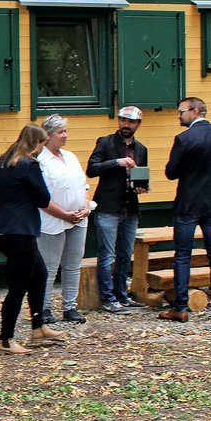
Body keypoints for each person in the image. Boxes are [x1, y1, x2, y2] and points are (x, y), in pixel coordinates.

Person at [0, 124, 83, 354]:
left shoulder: (5, 160)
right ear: (37, 143)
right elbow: (43, 198)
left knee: (39, 275)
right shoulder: (29, 164)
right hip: (20, 231)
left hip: (2, 227)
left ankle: (38, 326)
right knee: (19, 285)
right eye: (42, 145)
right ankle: (6, 339)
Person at [159, 97, 211, 322]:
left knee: (183, 255)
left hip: (188, 202)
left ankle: (180, 307)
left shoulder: (184, 139)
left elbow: (171, 172)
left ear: (194, 112)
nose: (178, 115)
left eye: (181, 111)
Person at [87, 106, 149, 313]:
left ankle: (122, 295)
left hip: (130, 207)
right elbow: (92, 169)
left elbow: (141, 175)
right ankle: (107, 298)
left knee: (125, 254)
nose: (126, 125)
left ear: (138, 124)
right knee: (107, 256)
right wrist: (117, 162)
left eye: (131, 122)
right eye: (123, 120)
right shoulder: (105, 142)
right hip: (107, 207)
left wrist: (142, 187)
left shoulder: (141, 148)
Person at [36, 115, 91, 324]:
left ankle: (70, 307)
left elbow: (84, 185)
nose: (65, 136)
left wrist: (85, 207)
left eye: (66, 131)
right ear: (48, 135)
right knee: (49, 267)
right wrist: (64, 214)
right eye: (61, 132)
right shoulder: (41, 160)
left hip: (78, 218)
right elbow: (41, 196)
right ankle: (44, 308)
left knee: (73, 264)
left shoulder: (70, 156)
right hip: (53, 220)